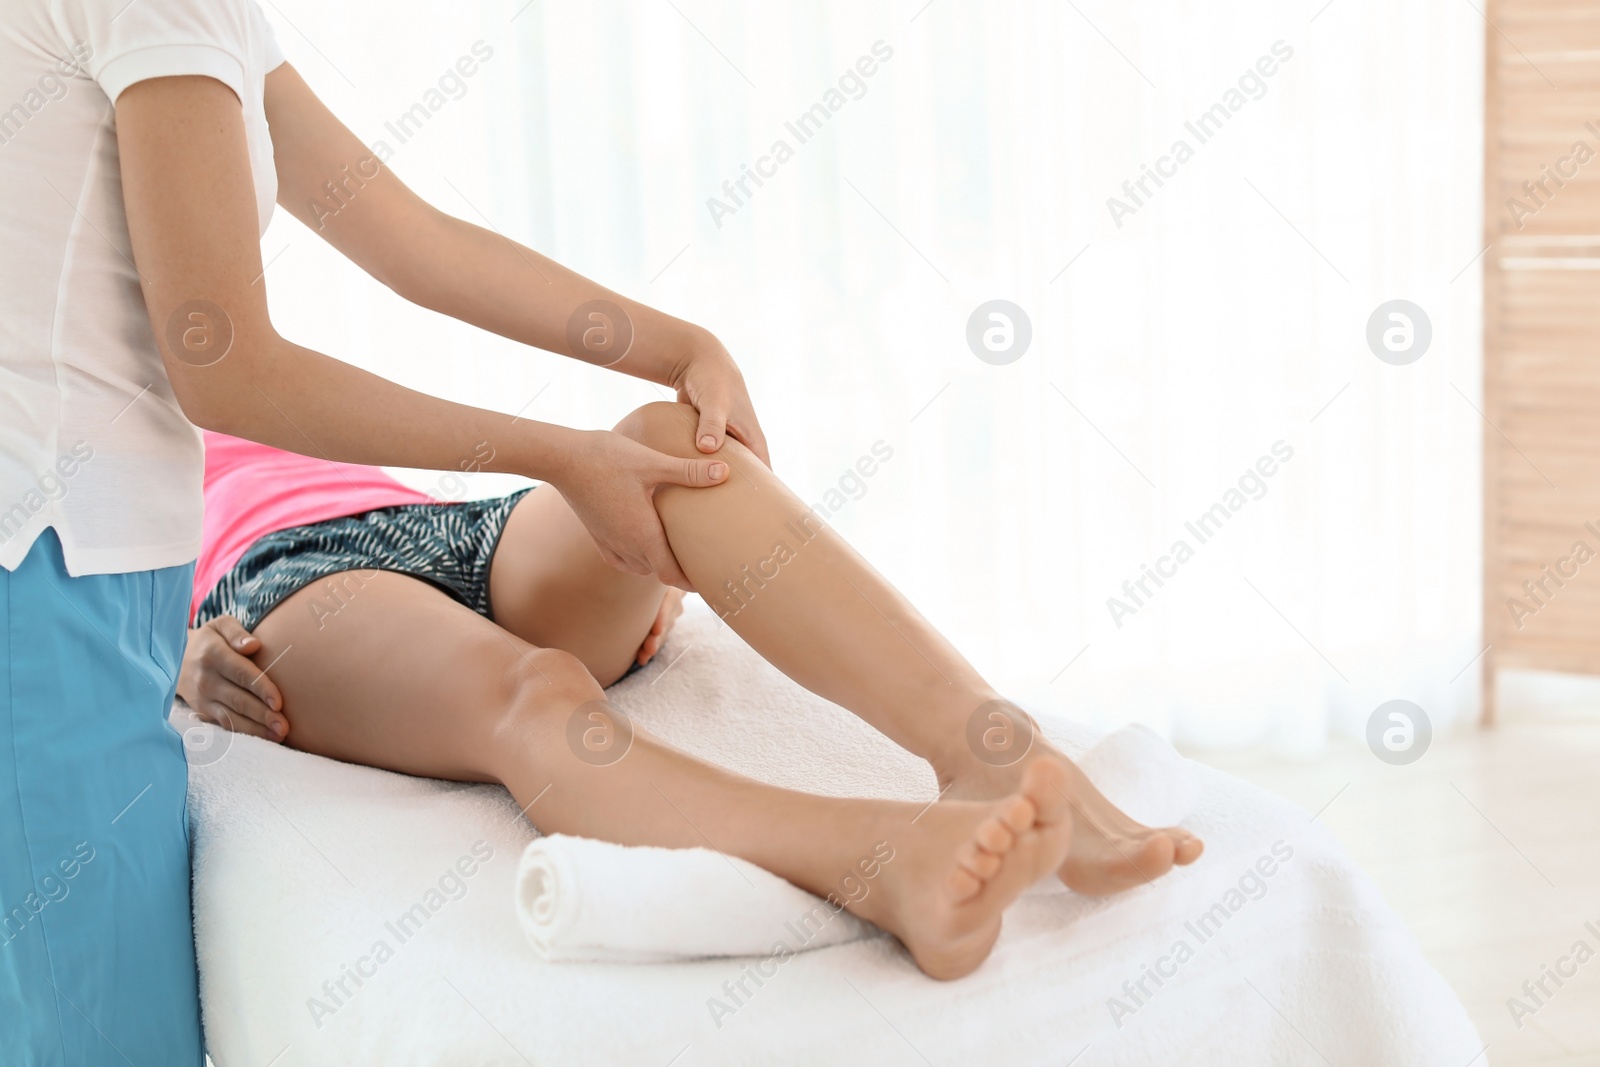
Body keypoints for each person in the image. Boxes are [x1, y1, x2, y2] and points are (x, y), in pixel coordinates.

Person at [6, 0, 755, 1060]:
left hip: (313, 536)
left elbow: (415, 242)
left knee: (671, 450)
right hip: (168, 570)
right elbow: (224, 371)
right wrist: (558, 452)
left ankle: (960, 746)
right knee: (97, 1030)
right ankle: (867, 854)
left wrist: (680, 346)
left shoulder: (207, 27)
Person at [180, 408, 1204, 981]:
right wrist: (171, 654)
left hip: (445, 524)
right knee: (539, 688)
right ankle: (884, 863)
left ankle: (998, 751)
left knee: (673, 451)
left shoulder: (197, 328)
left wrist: (636, 558)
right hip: (281, 584)